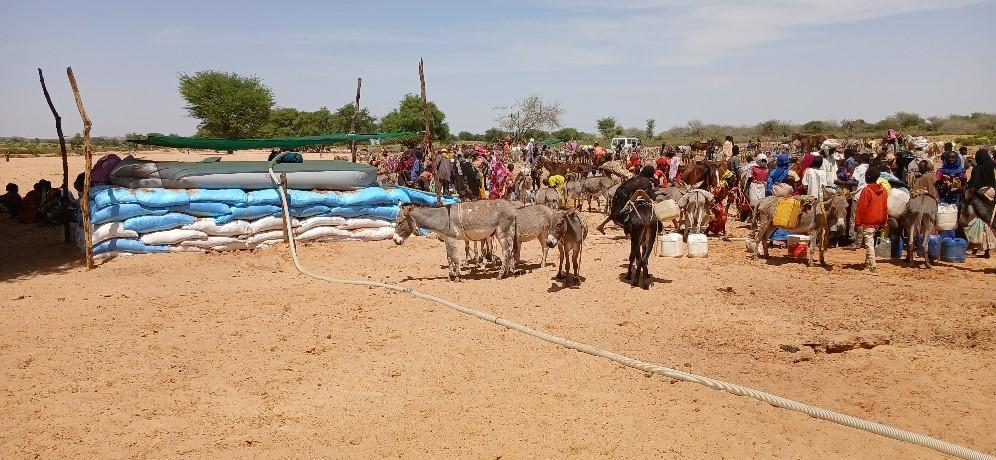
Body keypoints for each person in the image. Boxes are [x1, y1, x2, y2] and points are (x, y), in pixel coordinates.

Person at [596, 165, 657, 235]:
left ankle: (601, 225)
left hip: (620, 191)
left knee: (617, 211)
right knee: (624, 211)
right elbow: (644, 193)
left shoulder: (638, 177)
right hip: (624, 195)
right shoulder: (645, 181)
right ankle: (627, 231)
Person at [855, 166, 888, 275]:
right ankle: (867, 262)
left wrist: (858, 222)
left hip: (868, 221)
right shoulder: (883, 191)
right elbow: (885, 208)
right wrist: (883, 222)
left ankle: (873, 266)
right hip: (878, 221)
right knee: (871, 242)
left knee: (869, 243)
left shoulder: (866, 190)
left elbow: (861, 208)